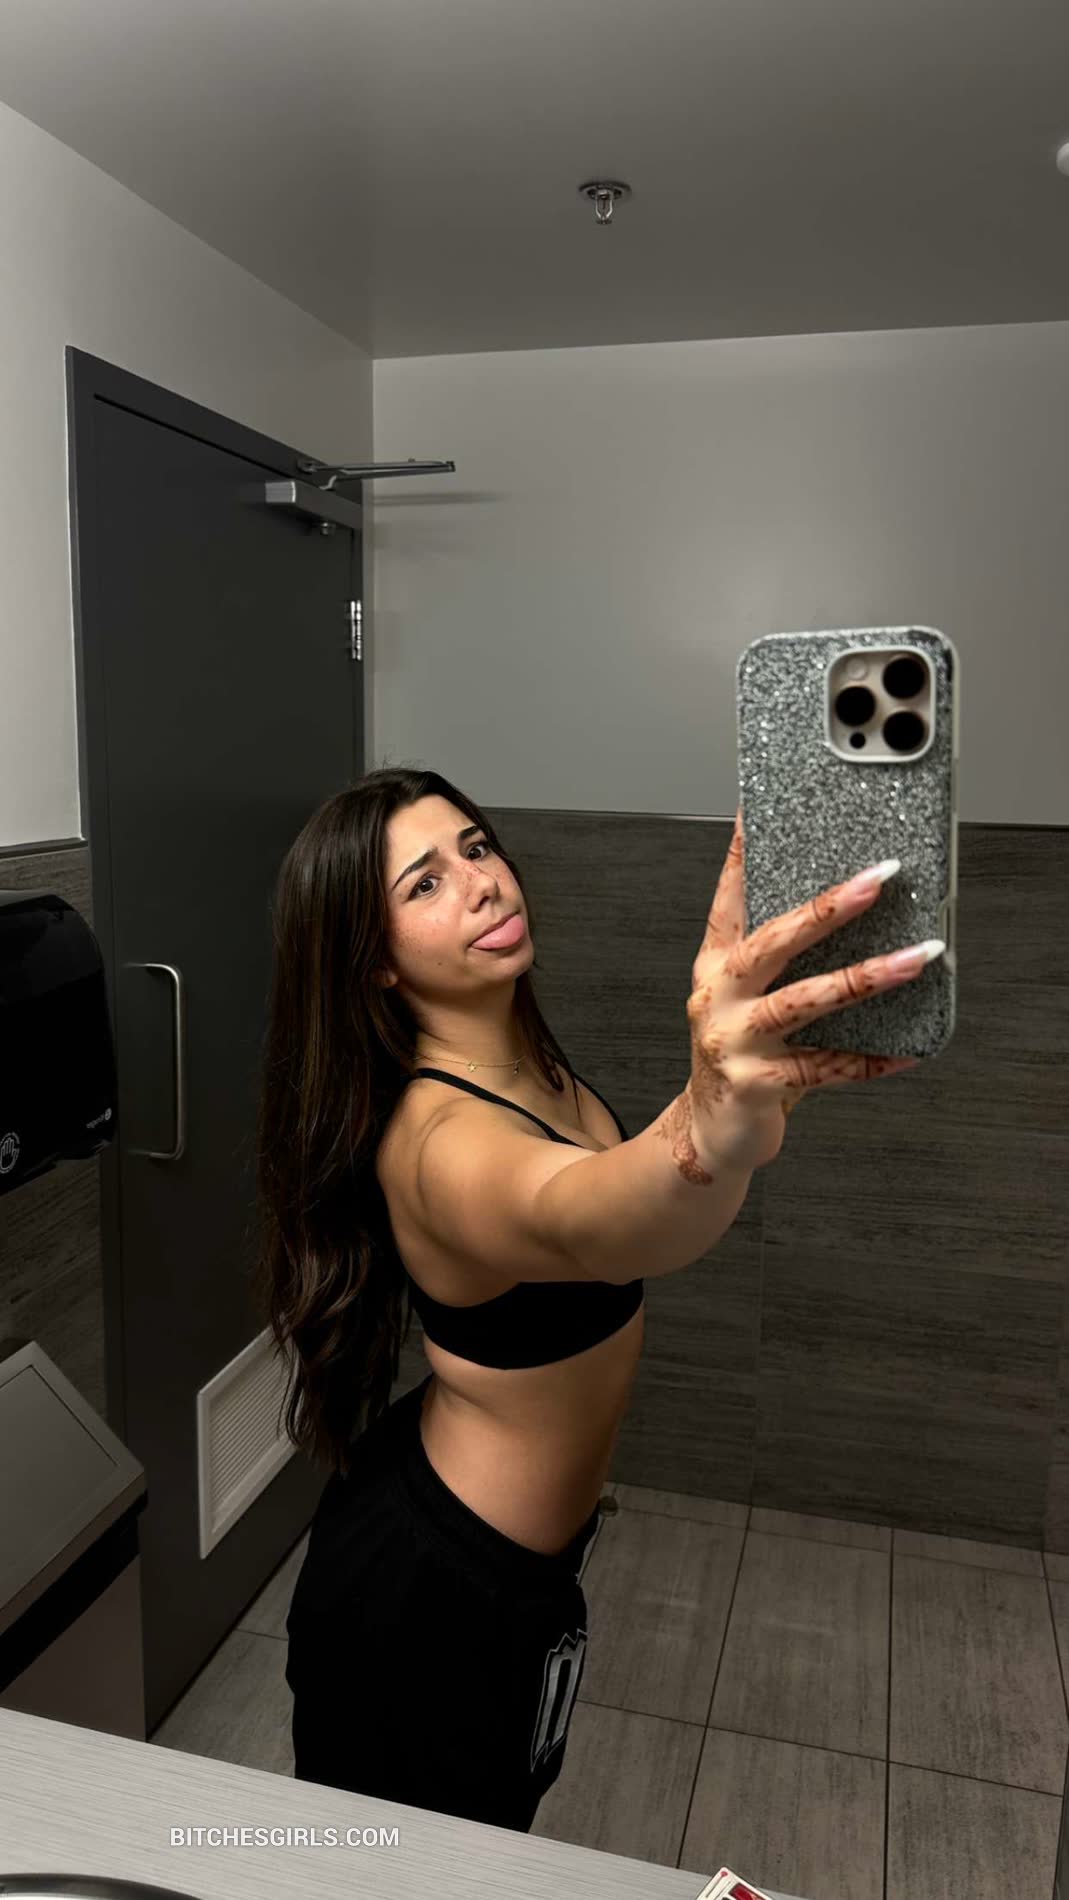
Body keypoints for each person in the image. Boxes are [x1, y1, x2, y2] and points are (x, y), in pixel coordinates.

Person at [252, 764, 933, 1831]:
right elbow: (605, 1211)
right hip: (429, 1592)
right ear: (373, 960)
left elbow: (623, 1184)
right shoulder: (438, 1143)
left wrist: (732, 1099)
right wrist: (712, 1126)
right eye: (423, 883)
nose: (481, 882)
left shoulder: (523, 1062)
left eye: (477, 847)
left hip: (505, 1558)